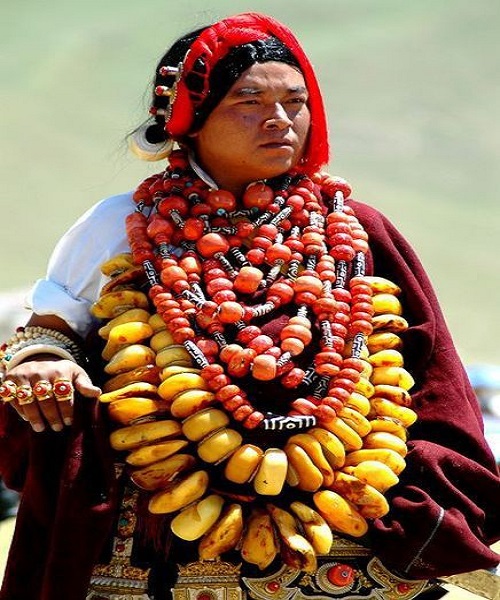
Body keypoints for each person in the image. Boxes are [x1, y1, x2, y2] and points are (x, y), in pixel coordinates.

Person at [0, 12, 498, 600]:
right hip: (160, 550)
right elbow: (48, 334)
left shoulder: (354, 229)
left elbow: (429, 371)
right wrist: (43, 361)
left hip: (350, 549)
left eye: (295, 101)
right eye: (250, 100)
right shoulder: (119, 226)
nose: (280, 119)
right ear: (190, 118)